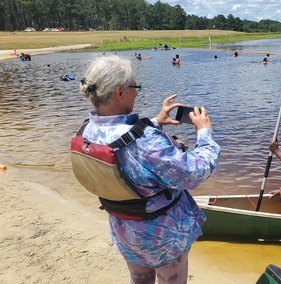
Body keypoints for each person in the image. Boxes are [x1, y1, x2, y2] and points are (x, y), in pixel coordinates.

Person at [73, 55, 220, 283]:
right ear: (120, 92)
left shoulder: (87, 130)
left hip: (125, 229)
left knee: (139, 279)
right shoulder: (146, 142)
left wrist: (156, 121)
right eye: (135, 87)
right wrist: (204, 133)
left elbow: (122, 139)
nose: (137, 92)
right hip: (163, 237)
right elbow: (195, 172)